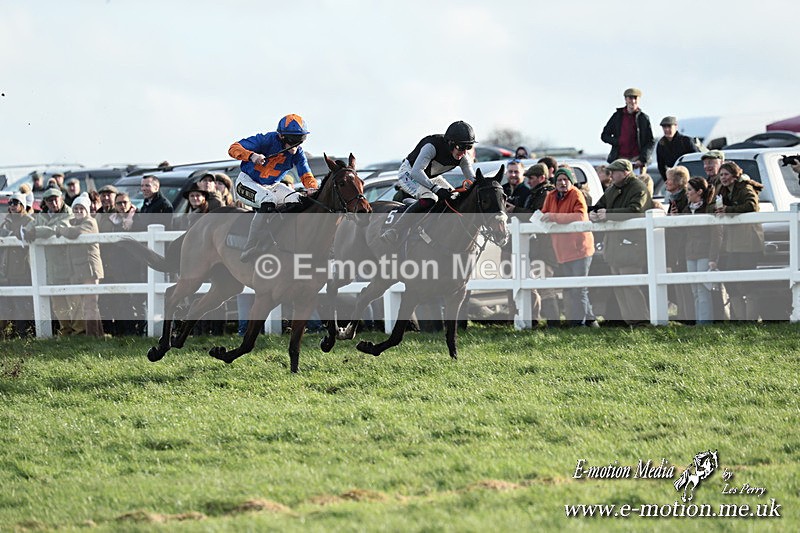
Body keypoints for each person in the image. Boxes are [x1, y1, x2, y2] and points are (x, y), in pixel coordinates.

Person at [228, 113, 318, 262]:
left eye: (301, 139)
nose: (296, 146)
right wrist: (251, 156)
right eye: (293, 140)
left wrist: (312, 188)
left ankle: (284, 240)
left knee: (299, 201)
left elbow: (306, 173)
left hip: (272, 185)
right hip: (247, 182)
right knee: (268, 200)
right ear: (281, 136)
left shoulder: (298, 153)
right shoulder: (264, 140)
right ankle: (250, 245)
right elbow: (233, 148)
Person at [380, 120, 477, 244]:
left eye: (468, 147)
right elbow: (416, 172)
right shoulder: (431, 146)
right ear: (450, 143)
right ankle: (394, 230)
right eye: (461, 147)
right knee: (430, 197)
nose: (464, 152)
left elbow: (472, 179)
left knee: (454, 198)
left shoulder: (463, 157)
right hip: (409, 173)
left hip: (430, 176)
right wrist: (435, 189)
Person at [589, 158, 653, 325]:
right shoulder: (613, 188)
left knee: (631, 285)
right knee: (619, 285)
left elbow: (636, 210)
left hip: (631, 246)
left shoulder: (638, 188)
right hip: (614, 246)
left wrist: (609, 214)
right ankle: (630, 321)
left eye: (614, 172)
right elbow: (599, 205)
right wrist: (594, 214)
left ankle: (642, 321)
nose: (611, 175)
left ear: (625, 172)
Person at [541, 168, 597, 327]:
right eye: (559, 180)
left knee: (579, 289)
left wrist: (553, 217)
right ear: (555, 182)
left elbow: (580, 216)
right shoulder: (550, 196)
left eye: (566, 180)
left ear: (571, 182)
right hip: (562, 250)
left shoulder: (577, 194)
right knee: (571, 288)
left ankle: (579, 324)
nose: (562, 183)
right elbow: (543, 213)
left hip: (580, 248)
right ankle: (591, 321)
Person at [712, 161, 764, 320]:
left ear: (735, 176)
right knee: (731, 281)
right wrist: (716, 209)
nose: (723, 178)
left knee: (747, 283)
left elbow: (751, 205)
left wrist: (729, 210)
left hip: (748, 242)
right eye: (721, 175)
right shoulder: (721, 189)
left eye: (726, 174)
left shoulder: (745, 187)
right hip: (731, 244)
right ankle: (740, 320)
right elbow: (710, 205)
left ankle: (751, 320)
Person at [23, 188, 77, 335]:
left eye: (56, 199)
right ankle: (65, 330)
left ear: (61, 199)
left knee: (72, 299)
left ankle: (78, 331)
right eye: (49, 200)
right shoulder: (41, 216)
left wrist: (36, 232)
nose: (53, 202)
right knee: (57, 300)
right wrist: (27, 232)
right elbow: (27, 229)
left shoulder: (70, 213)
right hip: (48, 265)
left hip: (67, 262)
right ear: (45, 203)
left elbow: (57, 229)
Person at [52, 194, 105, 338]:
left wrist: (60, 230)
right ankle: (98, 335)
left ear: (87, 210)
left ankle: (93, 336)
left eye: (82, 208)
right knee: (87, 304)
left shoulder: (90, 222)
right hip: (79, 270)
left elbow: (75, 233)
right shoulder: (73, 222)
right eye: (76, 208)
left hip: (90, 269)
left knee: (90, 304)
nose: (79, 210)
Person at [681, 177, 722, 324]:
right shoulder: (687, 209)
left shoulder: (708, 209)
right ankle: (700, 322)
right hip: (690, 253)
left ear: (699, 191)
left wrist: (713, 258)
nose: (687, 193)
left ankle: (704, 323)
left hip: (704, 253)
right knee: (695, 291)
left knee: (703, 290)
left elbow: (716, 235)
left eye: (690, 190)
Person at [0, 193, 35, 337]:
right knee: (11, 302)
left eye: (15, 203)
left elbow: (27, 236)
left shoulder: (29, 220)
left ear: (22, 205)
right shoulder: (6, 221)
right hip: (8, 268)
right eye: (11, 203)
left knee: (22, 302)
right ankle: (14, 331)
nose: (12, 206)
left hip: (23, 267)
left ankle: (23, 332)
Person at [600, 87, 655, 170]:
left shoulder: (643, 118)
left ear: (639, 100)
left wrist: (642, 159)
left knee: (639, 182)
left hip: (637, 160)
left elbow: (650, 141)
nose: (632, 101)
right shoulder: (617, 116)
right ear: (625, 99)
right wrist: (617, 141)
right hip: (620, 159)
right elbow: (604, 135)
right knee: (619, 182)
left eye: (635, 98)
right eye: (630, 98)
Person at [664, 166, 693, 322]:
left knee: (685, 285)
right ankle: (684, 315)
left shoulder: (684, 198)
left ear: (679, 181)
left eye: (669, 179)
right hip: (676, 248)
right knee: (679, 284)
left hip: (682, 247)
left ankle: (688, 316)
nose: (666, 182)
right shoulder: (674, 197)